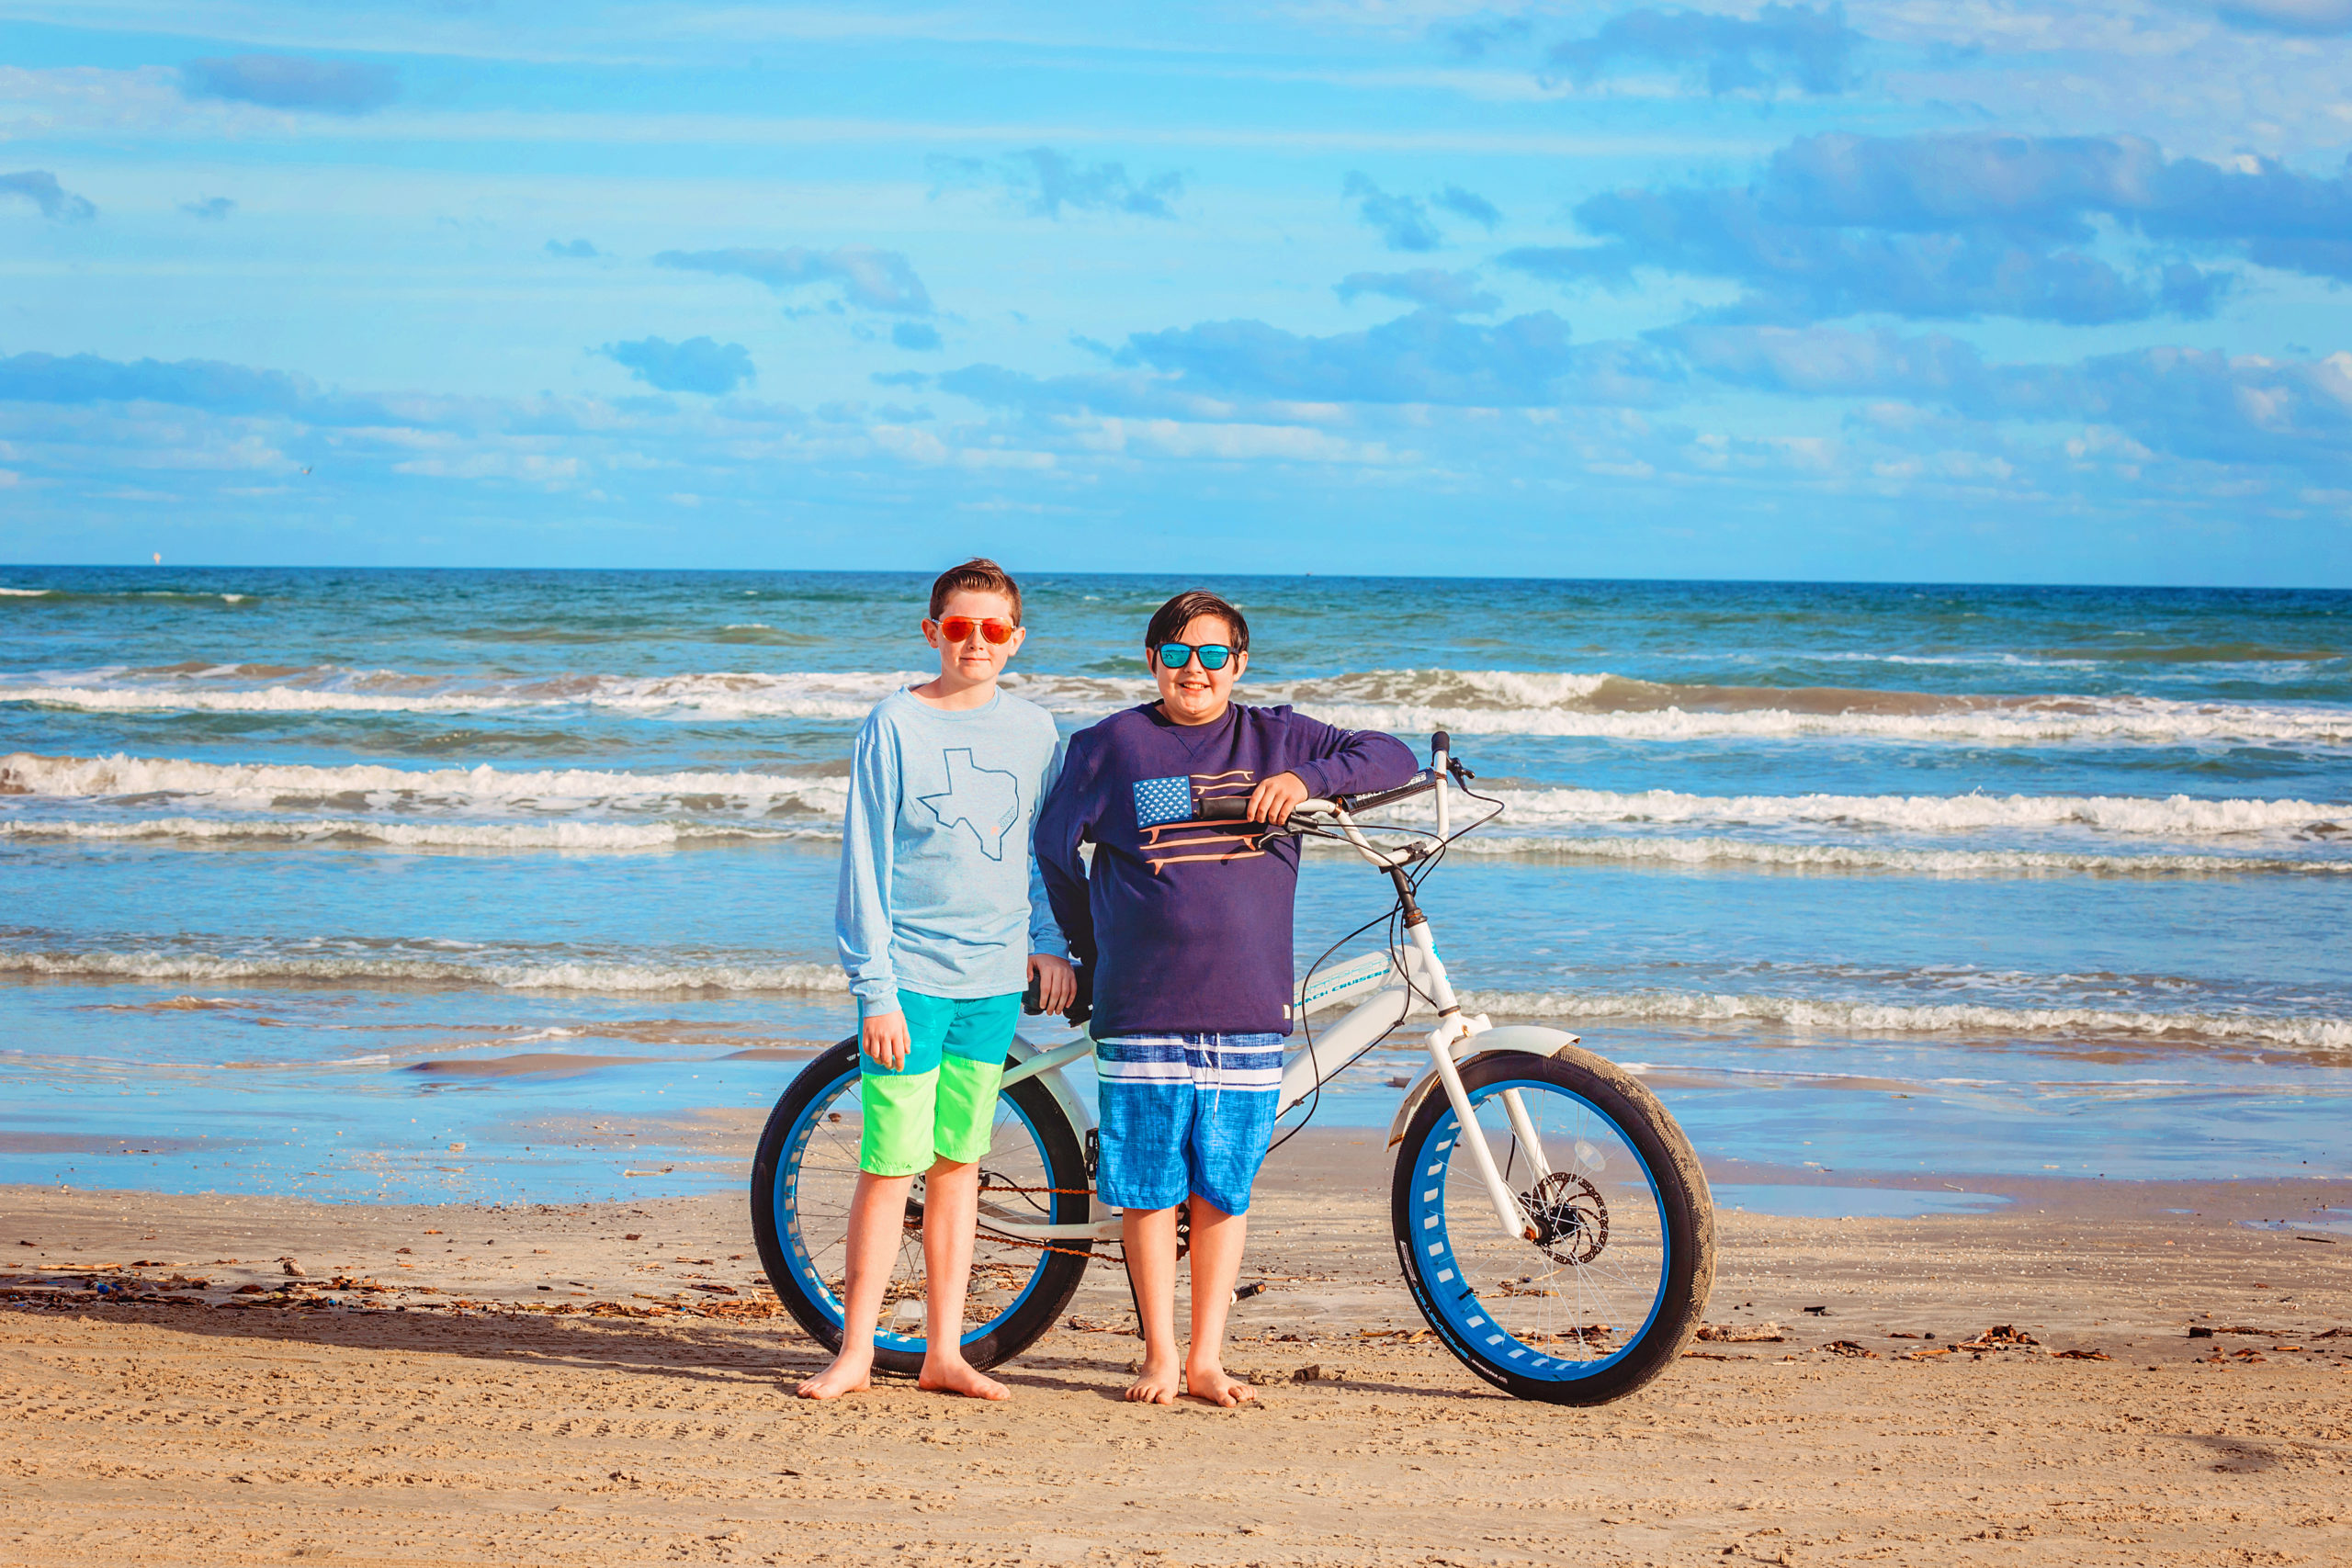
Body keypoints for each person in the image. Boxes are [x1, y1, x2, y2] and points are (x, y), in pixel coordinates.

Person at [1033, 588, 1416, 1405]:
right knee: (1146, 1187)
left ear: (1238, 663)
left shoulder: (1278, 736)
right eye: (1177, 653)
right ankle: (1159, 1354)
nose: (1195, 669)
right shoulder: (1110, 745)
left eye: (1212, 654)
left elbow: (1393, 757)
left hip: (1246, 1004)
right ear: (1153, 660)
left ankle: (1206, 1358)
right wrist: (1084, 947)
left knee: (1222, 1188)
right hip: (1141, 1003)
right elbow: (1054, 848)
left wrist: (1306, 778)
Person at [798, 558, 1076, 1402]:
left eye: (993, 629)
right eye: (960, 627)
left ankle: (944, 1352)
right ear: (933, 632)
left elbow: (1045, 852)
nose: (976, 641)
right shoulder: (894, 724)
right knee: (891, 1164)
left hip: (992, 984)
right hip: (911, 980)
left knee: (959, 1163)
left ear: (1016, 638)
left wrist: (1048, 943)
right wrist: (874, 989)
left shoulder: (1037, 732)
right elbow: (864, 863)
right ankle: (855, 1350)